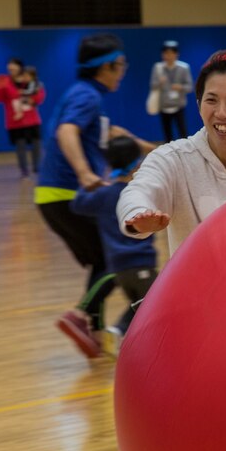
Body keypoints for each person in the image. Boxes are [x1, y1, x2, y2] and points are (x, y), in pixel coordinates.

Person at [35, 32, 156, 358]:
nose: (123, 71)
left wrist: (155, 149)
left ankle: (94, 330)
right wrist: (84, 172)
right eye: (121, 65)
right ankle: (79, 318)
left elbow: (114, 133)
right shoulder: (87, 96)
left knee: (102, 261)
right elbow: (66, 130)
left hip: (52, 195)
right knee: (112, 260)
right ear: (107, 66)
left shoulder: (85, 94)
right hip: (65, 193)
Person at [118, 49, 226, 256]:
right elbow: (138, 191)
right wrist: (138, 214)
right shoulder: (173, 159)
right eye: (211, 100)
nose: (221, 113)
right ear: (199, 105)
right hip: (192, 288)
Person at [69, 136, 157, 356]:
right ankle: (118, 332)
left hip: (117, 269)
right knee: (152, 300)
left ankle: (120, 334)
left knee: (141, 304)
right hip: (140, 263)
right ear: (137, 163)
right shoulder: (137, 194)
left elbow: (78, 205)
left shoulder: (104, 194)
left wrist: (92, 183)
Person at [0, 57, 45, 178]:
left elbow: (39, 94)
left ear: (20, 67)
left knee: (36, 143)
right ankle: (24, 170)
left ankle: (37, 167)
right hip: (15, 120)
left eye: (13, 65)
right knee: (20, 145)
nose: (11, 67)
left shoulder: (29, 78)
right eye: (9, 65)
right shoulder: (4, 81)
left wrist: (32, 100)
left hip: (31, 118)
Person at [151, 40, 193, 142]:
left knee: (183, 134)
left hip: (178, 105)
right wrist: (159, 83)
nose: (168, 56)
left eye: (171, 53)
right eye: (166, 53)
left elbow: (190, 87)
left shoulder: (184, 67)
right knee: (167, 135)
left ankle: (185, 155)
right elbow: (152, 85)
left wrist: (180, 87)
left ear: (176, 54)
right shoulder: (158, 68)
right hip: (164, 106)